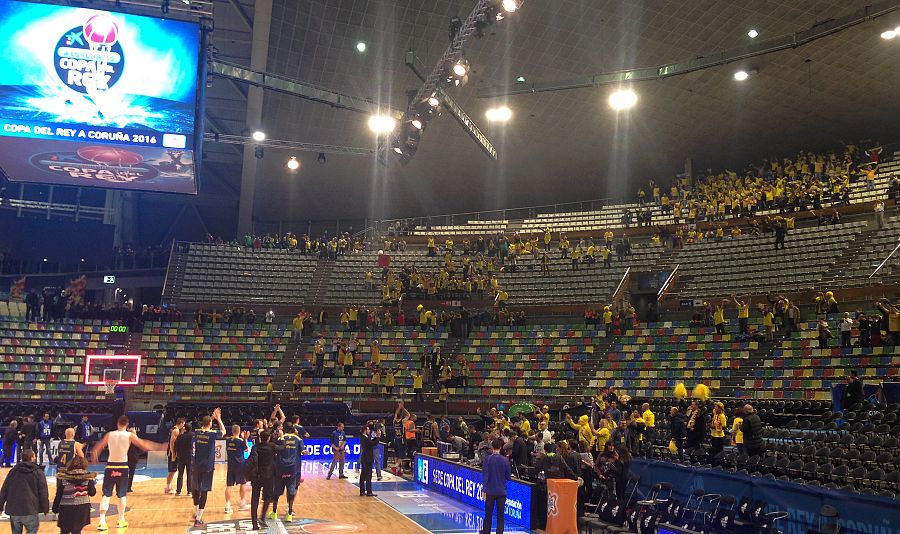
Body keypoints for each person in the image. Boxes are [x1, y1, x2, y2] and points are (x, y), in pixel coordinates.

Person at [91, 415, 167, 530]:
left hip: (110, 466)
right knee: (121, 495)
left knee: (106, 494)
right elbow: (144, 445)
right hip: (122, 466)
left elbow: (98, 447)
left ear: (117, 423)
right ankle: (121, 520)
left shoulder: (109, 435)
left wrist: (94, 455)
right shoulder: (129, 435)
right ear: (127, 424)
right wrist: (160, 447)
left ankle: (102, 521)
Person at [189, 408, 226, 528]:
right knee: (204, 491)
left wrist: (212, 417)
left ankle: (195, 512)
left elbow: (206, 426)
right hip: (207, 467)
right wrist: (218, 418)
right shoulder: (212, 434)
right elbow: (223, 431)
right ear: (210, 424)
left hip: (195, 465)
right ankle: (198, 519)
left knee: (195, 489)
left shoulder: (196, 432)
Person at [0, 449, 49, 534]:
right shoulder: (38, 472)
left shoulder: (13, 471)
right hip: (30, 509)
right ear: (32, 458)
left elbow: (4, 490)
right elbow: (43, 492)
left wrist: (0, 506)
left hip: (14, 509)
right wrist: (45, 508)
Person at [53, 455, 97, 534]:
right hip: (82, 508)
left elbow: (59, 494)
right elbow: (92, 493)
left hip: (66, 507)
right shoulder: (88, 477)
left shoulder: (64, 477)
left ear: (71, 464)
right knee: (77, 531)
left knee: (64, 531)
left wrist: (55, 508)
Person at [271, 422, 302, 522]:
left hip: (281, 467)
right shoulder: (298, 439)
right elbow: (303, 451)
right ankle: (289, 514)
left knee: (277, 491)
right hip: (292, 468)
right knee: (291, 490)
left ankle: (274, 513)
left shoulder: (280, 438)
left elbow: (275, 450)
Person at [481, 438, 511, 534]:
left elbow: (485, 475)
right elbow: (508, 476)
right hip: (502, 491)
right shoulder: (505, 460)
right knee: (500, 515)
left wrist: (484, 490)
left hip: (490, 491)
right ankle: (499, 532)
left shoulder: (487, 459)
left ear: (492, 447)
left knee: (488, 513)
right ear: (501, 447)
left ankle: (486, 531)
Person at [224, 425, 249, 514]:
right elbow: (246, 449)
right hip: (240, 465)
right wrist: (245, 438)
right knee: (243, 483)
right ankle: (242, 503)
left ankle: (227, 505)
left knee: (229, 485)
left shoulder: (227, 440)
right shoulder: (240, 441)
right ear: (239, 431)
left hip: (231, 465)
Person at [358, 424, 382, 497]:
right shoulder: (364, 438)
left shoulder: (364, 437)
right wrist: (377, 437)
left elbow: (371, 441)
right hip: (367, 458)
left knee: (364, 475)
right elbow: (372, 443)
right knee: (368, 475)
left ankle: (362, 491)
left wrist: (376, 437)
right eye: (368, 429)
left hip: (366, 458)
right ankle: (368, 491)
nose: (369, 431)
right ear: (365, 430)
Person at [165, 418, 185, 495]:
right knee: (172, 471)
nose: (184, 426)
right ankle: (168, 488)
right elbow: (172, 443)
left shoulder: (174, 429)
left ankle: (168, 487)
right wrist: (173, 454)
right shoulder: (175, 430)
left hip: (173, 452)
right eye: (183, 424)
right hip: (172, 453)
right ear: (181, 423)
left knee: (173, 471)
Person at [174, 421, 194, 496]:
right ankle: (189, 491)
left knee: (180, 474)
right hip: (190, 457)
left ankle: (178, 491)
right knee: (190, 474)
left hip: (181, 458)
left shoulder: (180, 436)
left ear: (184, 428)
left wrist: (177, 454)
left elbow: (176, 446)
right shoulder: (193, 436)